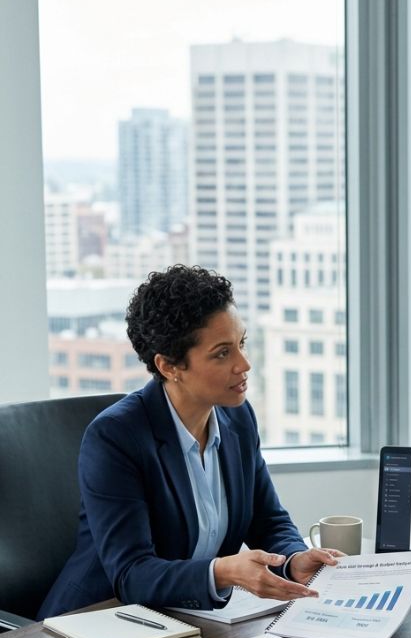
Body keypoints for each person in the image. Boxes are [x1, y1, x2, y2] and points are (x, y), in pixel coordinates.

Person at [39, 265, 338, 618]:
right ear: (169, 366)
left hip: (184, 620)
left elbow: (268, 519)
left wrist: (292, 560)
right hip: (96, 624)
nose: (244, 364)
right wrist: (222, 572)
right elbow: (131, 573)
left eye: (241, 344)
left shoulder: (237, 419)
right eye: (222, 353)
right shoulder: (116, 437)